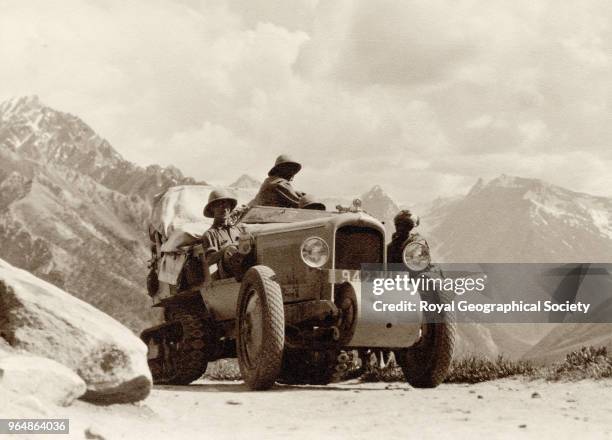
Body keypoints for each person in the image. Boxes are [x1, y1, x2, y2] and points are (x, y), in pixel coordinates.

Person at [201, 189, 243, 279]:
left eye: (226, 205)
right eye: (218, 205)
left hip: (246, 267)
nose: (223, 208)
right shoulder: (210, 234)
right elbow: (209, 259)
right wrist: (226, 249)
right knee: (231, 250)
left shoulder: (238, 229)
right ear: (212, 209)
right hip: (226, 274)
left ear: (230, 208)